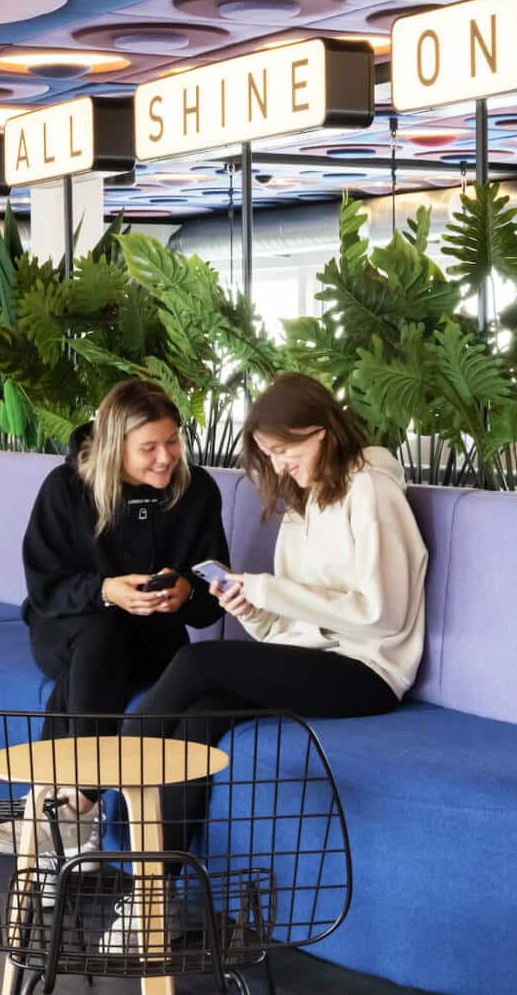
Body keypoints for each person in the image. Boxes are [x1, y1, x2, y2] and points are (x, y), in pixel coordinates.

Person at [102, 372, 428, 951]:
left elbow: (383, 612)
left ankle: (101, 784)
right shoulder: (304, 503)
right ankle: (153, 896)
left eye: (285, 451)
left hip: (370, 671)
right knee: (202, 717)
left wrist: (271, 590)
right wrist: (248, 604)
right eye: (270, 455)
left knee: (201, 666)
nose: (279, 467)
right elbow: (286, 627)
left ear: (323, 432)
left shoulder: (372, 492)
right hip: (312, 657)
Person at [0, 378, 228, 858]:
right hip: (67, 626)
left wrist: (185, 592)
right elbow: (44, 587)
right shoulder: (67, 489)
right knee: (102, 634)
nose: (165, 457)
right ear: (112, 447)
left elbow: (209, 604)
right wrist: (104, 590)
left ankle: (58, 806)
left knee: (102, 662)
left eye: (172, 442)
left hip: (153, 638)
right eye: (149, 448)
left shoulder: (197, 491)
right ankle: (83, 800)